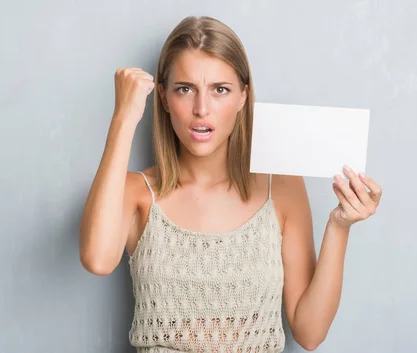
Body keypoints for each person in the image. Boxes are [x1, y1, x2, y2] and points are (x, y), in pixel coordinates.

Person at [79, 15, 382, 353]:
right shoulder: (137, 191)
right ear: (163, 98)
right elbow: (97, 259)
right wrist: (124, 115)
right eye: (185, 89)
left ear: (242, 97)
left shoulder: (280, 189)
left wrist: (339, 226)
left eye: (220, 90)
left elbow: (309, 333)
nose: (201, 109)